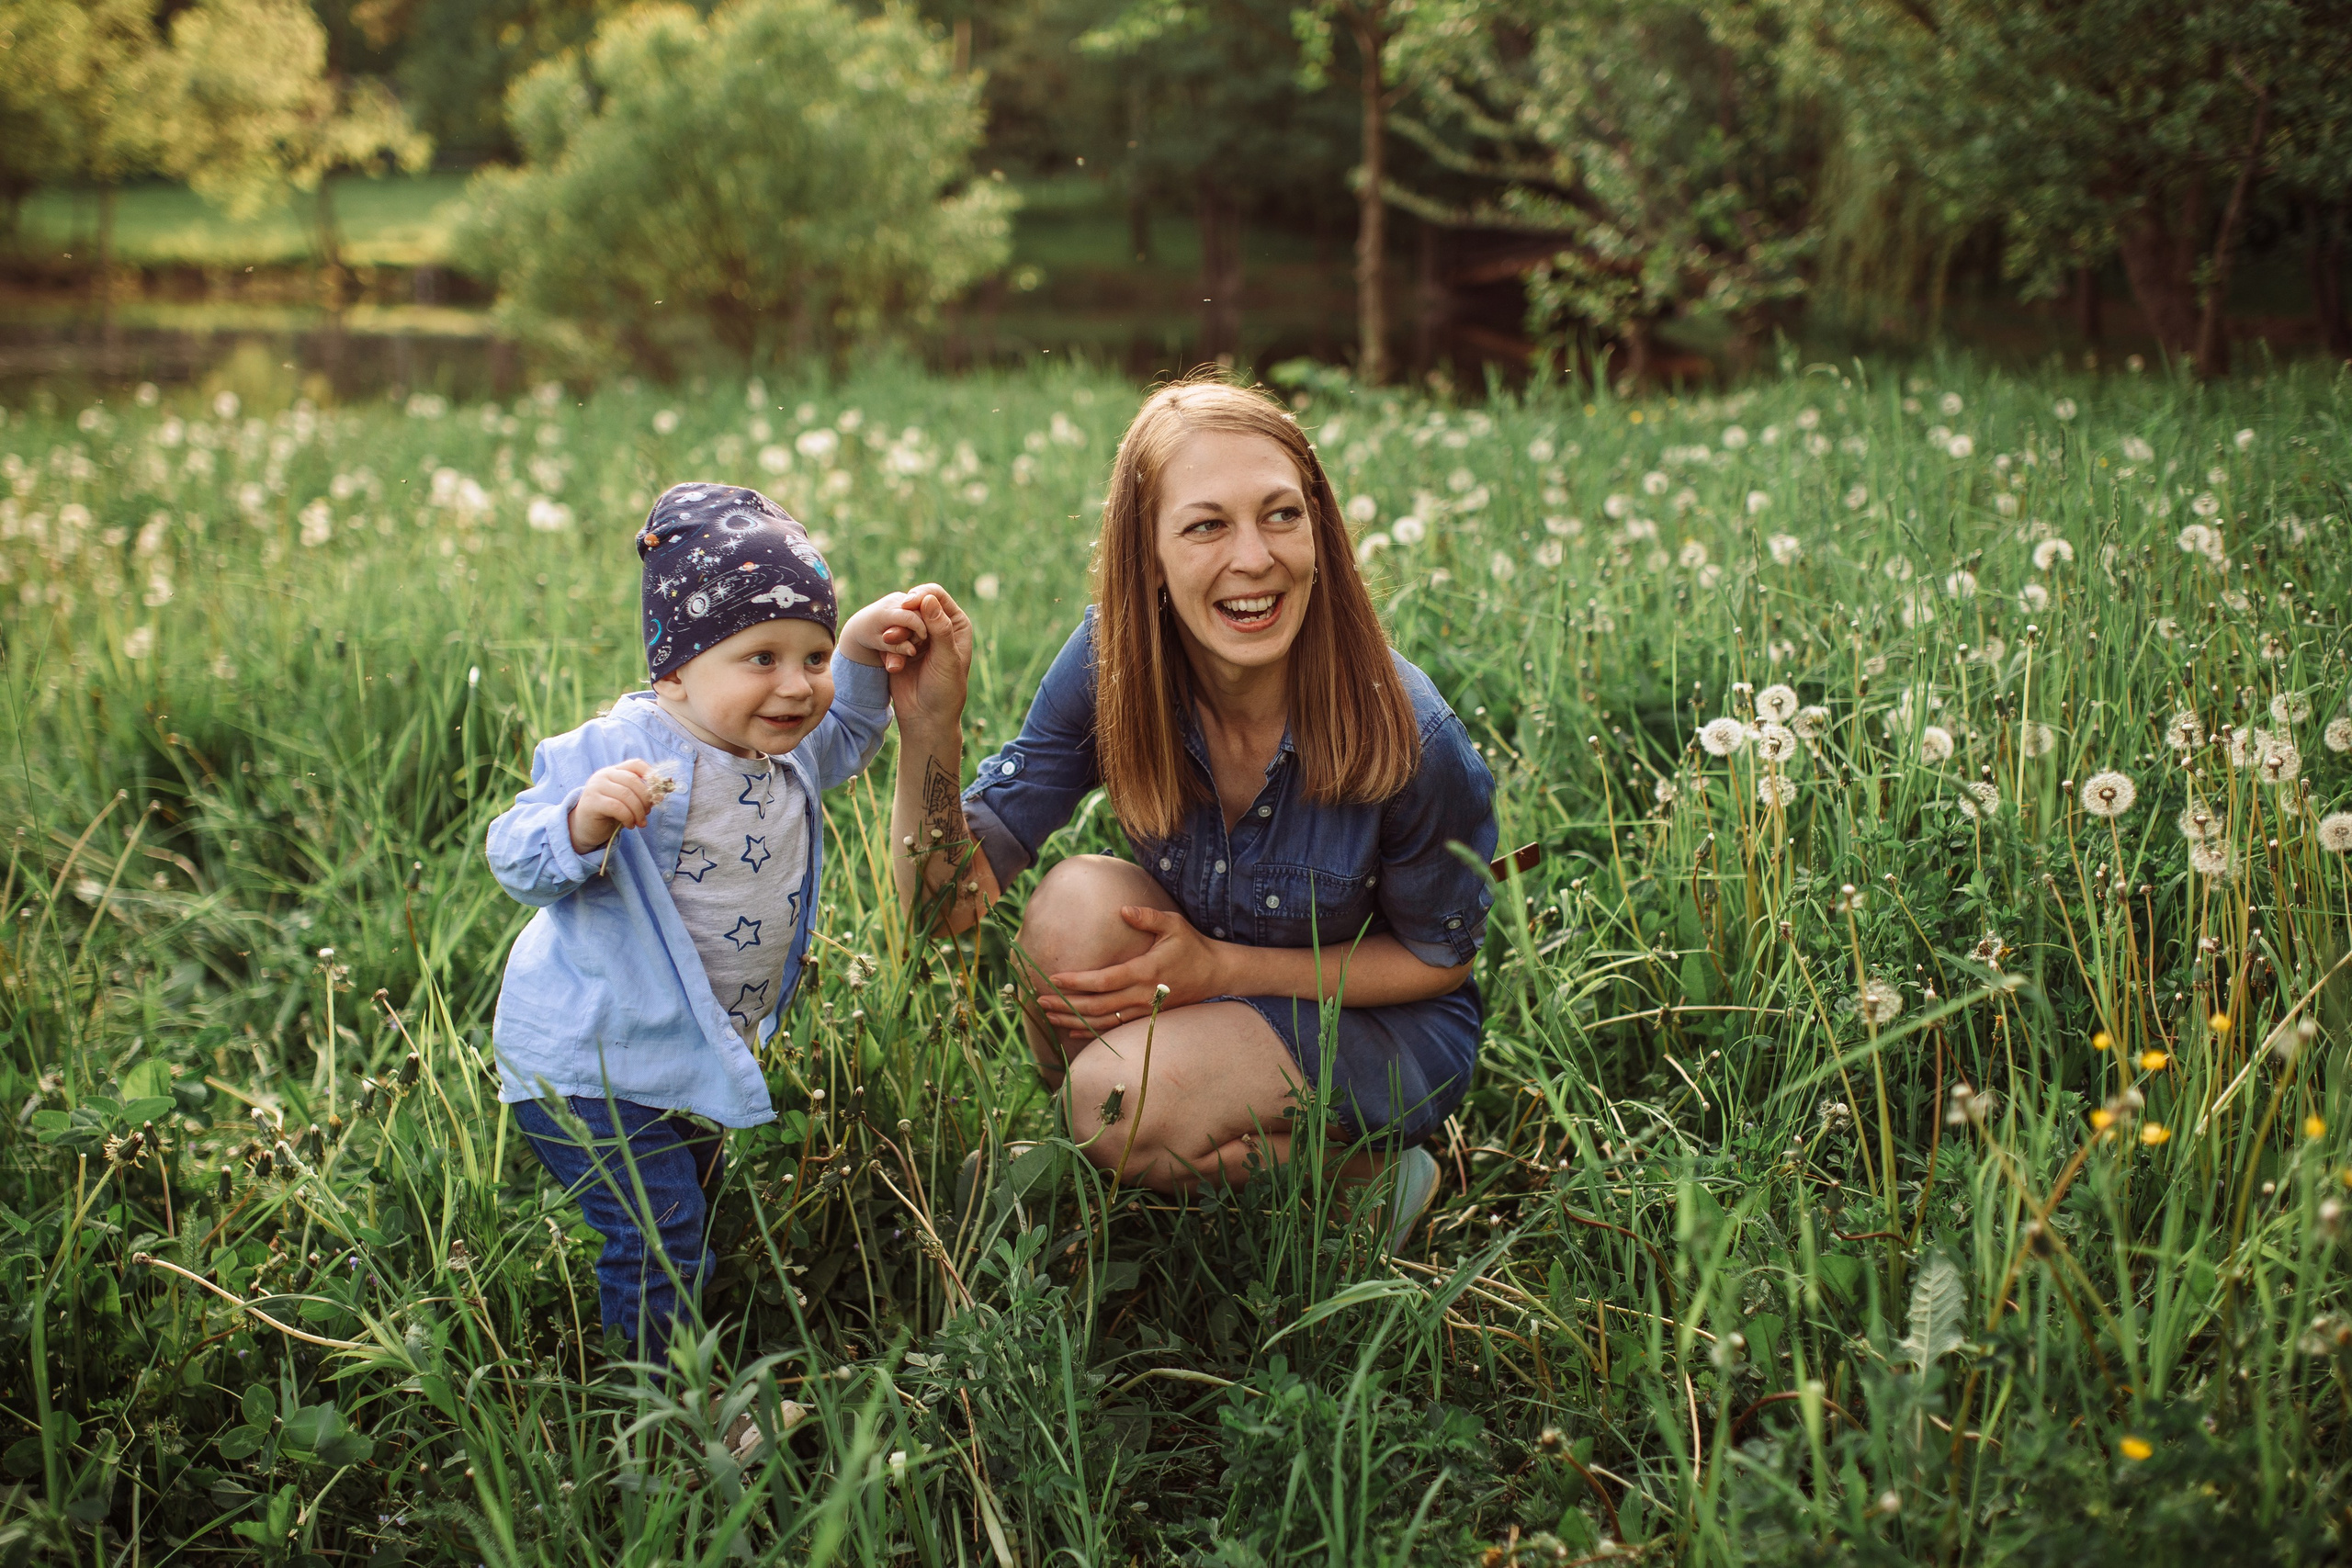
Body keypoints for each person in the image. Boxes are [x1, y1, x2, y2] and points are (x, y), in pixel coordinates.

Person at [883, 379, 1498, 1247]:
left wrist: (1220, 967)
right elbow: (943, 907)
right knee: (1070, 909)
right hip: (1206, 987)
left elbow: (1441, 960)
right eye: (1207, 525)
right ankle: (1131, 1160)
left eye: (1281, 515)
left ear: (1318, 530)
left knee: (1113, 1102)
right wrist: (929, 730)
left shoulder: (1406, 728)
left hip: (1381, 1030)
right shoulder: (1113, 666)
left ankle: (1372, 1175)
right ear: (1150, 557)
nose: (1255, 558)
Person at [484, 482, 933, 1362]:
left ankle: (682, 1352)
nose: (796, 686)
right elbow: (512, 850)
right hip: (593, 1056)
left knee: (690, 1207)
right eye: (761, 658)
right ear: (677, 669)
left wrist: (862, 652)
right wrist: (580, 821)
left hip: (687, 1046)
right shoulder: (624, 750)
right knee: (661, 1233)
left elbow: (846, 734)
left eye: (810, 656)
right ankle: (672, 1423)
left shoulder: (783, 744)